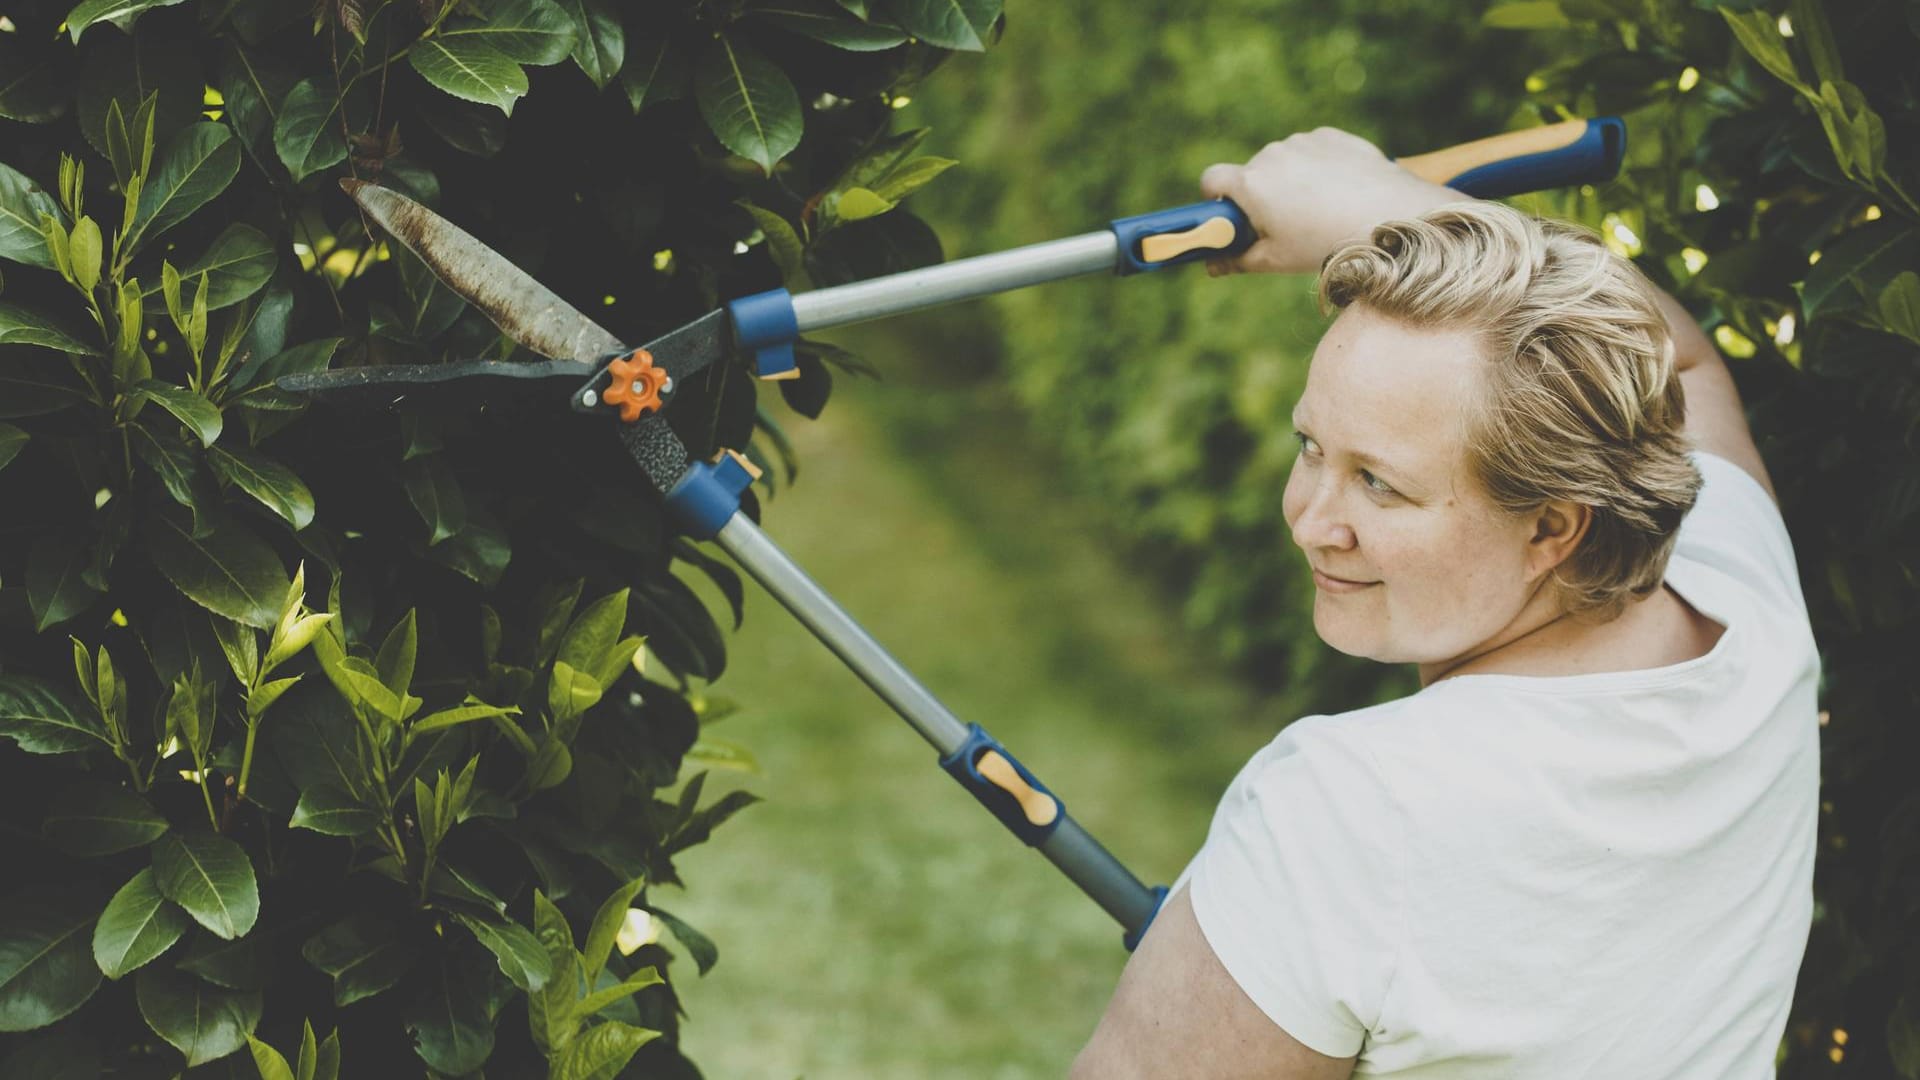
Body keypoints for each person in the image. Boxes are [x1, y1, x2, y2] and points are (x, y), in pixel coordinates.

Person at [1070, 129, 1820, 1078]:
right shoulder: (1746, 607)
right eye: (1312, 448)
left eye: (1381, 484)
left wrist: (1379, 198)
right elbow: (1682, 365)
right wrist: (1376, 201)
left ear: (1554, 528)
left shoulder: (1348, 812)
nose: (1311, 521)